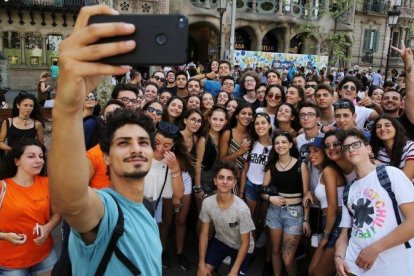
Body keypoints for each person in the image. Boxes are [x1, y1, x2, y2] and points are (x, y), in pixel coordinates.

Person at [48, 5, 161, 275]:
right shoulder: (105, 209)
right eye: (123, 142)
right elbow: (70, 202)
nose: (136, 148)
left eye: (143, 142)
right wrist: (68, 107)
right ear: (106, 156)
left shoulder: (146, 213)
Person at [334, 129, 414, 276]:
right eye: (346, 147)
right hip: (356, 266)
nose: (351, 149)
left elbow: (412, 222)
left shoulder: (391, 174)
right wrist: (338, 257)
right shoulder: (348, 190)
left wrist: (374, 249)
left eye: (356, 144)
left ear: (368, 148)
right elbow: (344, 234)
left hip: (394, 265)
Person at [0, 138, 60, 275]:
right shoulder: (2, 187)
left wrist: (47, 228)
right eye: (31, 156)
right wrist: (4, 236)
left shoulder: (48, 183)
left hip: (45, 256)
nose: (39, 161)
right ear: (17, 161)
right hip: (11, 263)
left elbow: (58, 213)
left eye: (41, 156)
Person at [261, 131, 310, 276]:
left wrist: (306, 219)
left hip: (294, 214)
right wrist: (270, 198)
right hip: (274, 211)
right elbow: (262, 191)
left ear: (290, 145)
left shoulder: (301, 165)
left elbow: (307, 195)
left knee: (287, 257)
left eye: (283, 142)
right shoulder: (271, 167)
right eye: (277, 143)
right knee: (275, 251)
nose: (280, 145)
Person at [198, 160, 255, 276]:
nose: (225, 181)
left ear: (234, 183)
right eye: (221, 177)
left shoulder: (242, 209)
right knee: (202, 274)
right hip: (221, 240)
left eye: (229, 178)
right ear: (215, 181)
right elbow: (204, 234)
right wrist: (201, 263)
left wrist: (234, 271)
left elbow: (245, 243)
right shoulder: (207, 203)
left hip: (241, 246)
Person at [306, 137, 345, 276]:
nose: (311, 155)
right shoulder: (326, 171)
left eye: (316, 150)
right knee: (312, 270)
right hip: (329, 222)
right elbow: (325, 200)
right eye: (309, 152)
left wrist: (326, 236)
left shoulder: (329, 170)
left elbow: (333, 207)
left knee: (318, 272)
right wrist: (311, 193)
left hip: (336, 224)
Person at [220, 103, 253, 194]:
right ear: (237, 116)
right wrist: (240, 152)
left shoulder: (252, 136)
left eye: (250, 114)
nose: (247, 116)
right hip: (229, 179)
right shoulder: (228, 133)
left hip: (246, 180)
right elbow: (222, 160)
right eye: (243, 113)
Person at [370, 114, 414, 181]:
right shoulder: (379, 152)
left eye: (387, 125)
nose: (382, 128)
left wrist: (381, 166)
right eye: (378, 127)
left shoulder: (410, 147)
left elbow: (406, 180)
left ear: (396, 128)